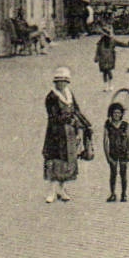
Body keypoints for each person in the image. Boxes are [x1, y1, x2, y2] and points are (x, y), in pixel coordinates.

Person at [42, 66, 91, 204]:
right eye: (59, 81)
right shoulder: (51, 97)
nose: (62, 84)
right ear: (55, 82)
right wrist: (69, 119)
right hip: (56, 133)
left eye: (64, 81)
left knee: (67, 161)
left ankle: (61, 189)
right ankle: (51, 191)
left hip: (69, 132)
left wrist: (85, 124)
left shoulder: (69, 94)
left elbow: (76, 110)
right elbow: (53, 117)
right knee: (56, 160)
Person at [104, 102, 129, 203]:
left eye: (118, 113)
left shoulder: (125, 125)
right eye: (114, 113)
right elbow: (105, 141)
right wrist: (107, 156)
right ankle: (112, 194)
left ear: (121, 114)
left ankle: (124, 194)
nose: (116, 115)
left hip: (123, 152)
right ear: (111, 113)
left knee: (123, 174)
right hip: (113, 152)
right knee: (113, 174)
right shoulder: (108, 125)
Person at [94, 24, 117, 90]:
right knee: (104, 72)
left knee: (109, 72)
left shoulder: (111, 41)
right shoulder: (100, 43)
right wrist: (96, 57)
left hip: (109, 59)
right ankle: (106, 85)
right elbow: (98, 50)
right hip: (103, 59)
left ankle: (110, 84)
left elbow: (113, 49)